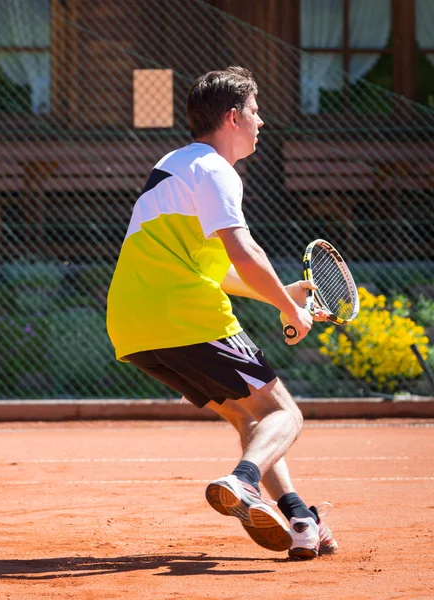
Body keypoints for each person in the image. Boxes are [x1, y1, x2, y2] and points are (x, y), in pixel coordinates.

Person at [106, 66, 337, 559]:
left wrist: (281, 294)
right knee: (284, 414)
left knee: (250, 420)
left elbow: (210, 268)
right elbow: (244, 251)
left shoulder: (176, 164)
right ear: (233, 117)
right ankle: (244, 482)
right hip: (184, 315)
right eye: (254, 111)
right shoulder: (215, 169)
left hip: (133, 326)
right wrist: (287, 307)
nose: (261, 121)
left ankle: (299, 516)